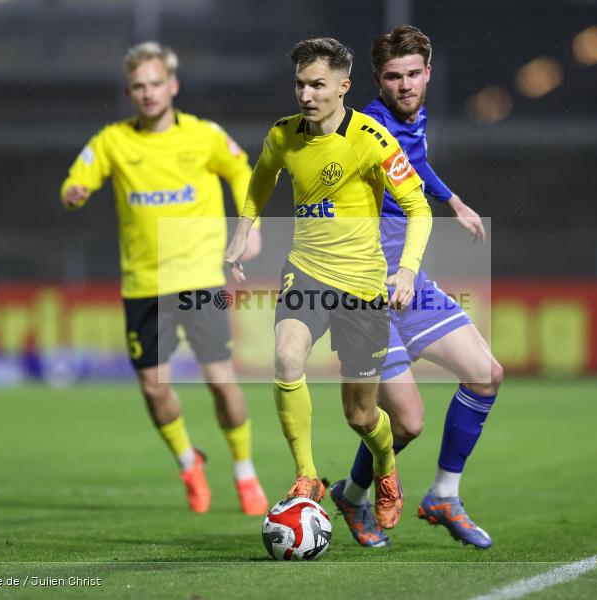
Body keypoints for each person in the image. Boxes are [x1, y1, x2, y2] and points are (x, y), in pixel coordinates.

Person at [224, 37, 432, 530]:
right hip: (307, 272)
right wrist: (242, 231)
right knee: (286, 356)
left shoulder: (372, 140)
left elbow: (420, 207)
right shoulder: (282, 135)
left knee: (362, 418)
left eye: (317, 84)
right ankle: (307, 476)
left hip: (362, 287)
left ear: (343, 87)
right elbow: (261, 179)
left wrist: (405, 270)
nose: (306, 94)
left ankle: (385, 468)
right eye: (300, 83)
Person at [60, 41, 268, 515]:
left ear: (172, 86)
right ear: (130, 92)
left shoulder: (204, 135)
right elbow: (77, 181)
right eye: (139, 86)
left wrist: (247, 224)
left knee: (220, 381)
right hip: (144, 286)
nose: (148, 92)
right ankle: (188, 462)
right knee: (154, 387)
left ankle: (244, 472)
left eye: (156, 83)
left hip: (200, 279)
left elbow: (243, 172)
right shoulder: (112, 141)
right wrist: (74, 193)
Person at [328, 26, 503, 548]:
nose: (404, 86)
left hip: (409, 283)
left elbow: (416, 163)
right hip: (366, 294)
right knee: (406, 424)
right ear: (376, 81)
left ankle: (443, 495)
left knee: (486, 374)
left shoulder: (413, 118)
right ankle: (354, 496)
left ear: (428, 73)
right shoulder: (362, 130)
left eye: (412, 75)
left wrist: (454, 201)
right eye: (392, 77)